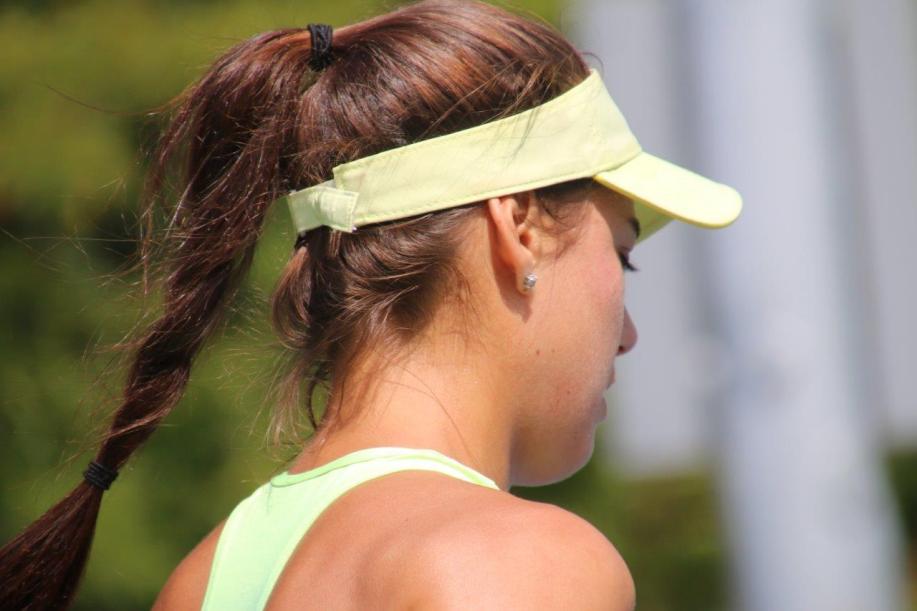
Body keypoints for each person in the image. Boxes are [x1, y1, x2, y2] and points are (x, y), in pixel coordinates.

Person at [0, 0, 741, 609]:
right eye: (622, 254)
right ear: (517, 229)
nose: (629, 333)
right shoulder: (517, 561)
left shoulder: (202, 581)